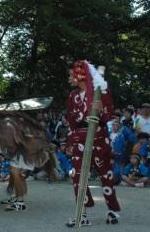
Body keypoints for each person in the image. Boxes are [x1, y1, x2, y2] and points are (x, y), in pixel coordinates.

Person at [65, 61, 120, 227]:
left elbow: (108, 115)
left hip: (99, 137)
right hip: (79, 138)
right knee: (77, 174)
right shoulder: (72, 95)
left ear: (80, 74)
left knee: (105, 175)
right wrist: (70, 140)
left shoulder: (100, 92)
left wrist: (101, 108)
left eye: (71, 74)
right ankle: (81, 213)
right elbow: (71, 121)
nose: (69, 78)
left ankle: (112, 210)